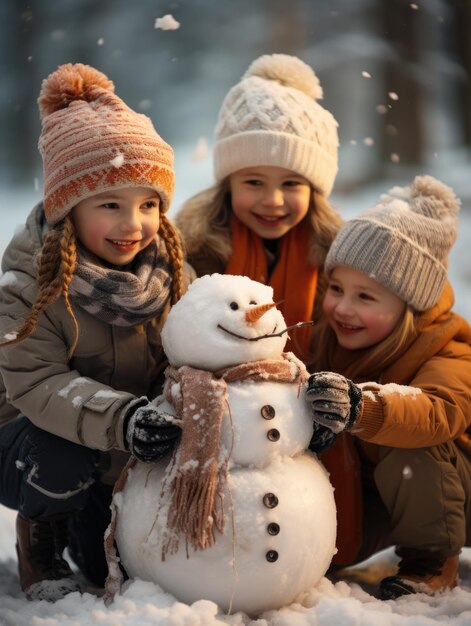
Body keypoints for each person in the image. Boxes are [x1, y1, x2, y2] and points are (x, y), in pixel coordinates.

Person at [0, 63, 193, 601]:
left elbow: (199, 351)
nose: (133, 224)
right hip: (29, 439)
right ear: (68, 209)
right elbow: (35, 382)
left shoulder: (171, 273)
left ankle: (92, 528)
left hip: (123, 451)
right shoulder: (28, 285)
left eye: (148, 204)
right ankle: (40, 531)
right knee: (58, 459)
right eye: (110, 204)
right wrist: (123, 417)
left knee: (103, 562)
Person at [305, 175, 471, 599]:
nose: (343, 308)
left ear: (408, 305)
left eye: (366, 297)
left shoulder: (447, 350)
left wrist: (364, 408)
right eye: (337, 289)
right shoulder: (327, 340)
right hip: (383, 493)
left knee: (411, 439)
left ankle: (432, 563)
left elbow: (439, 410)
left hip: (453, 492)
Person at [176, 53, 342, 360]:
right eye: (254, 182)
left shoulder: (340, 263)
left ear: (314, 191)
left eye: (291, 184)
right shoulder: (192, 255)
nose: (273, 200)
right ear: (228, 184)